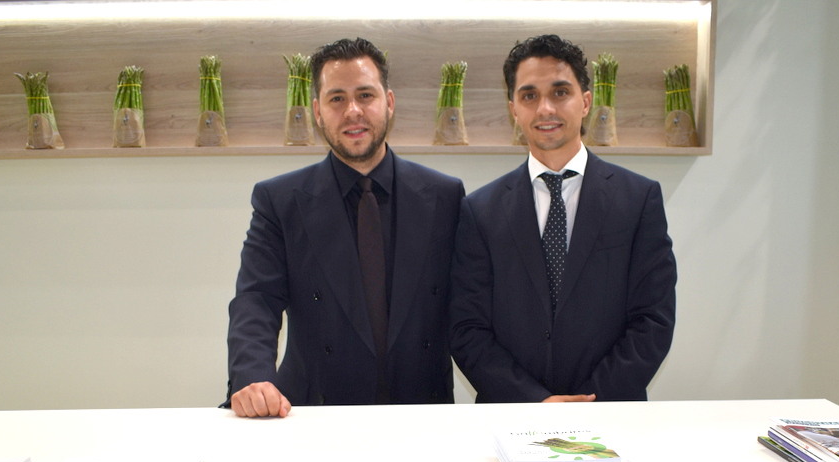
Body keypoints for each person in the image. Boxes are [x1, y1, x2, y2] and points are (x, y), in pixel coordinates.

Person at [226, 38, 465, 417]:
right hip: (313, 412)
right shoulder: (280, 200)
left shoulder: (444, 196)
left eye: (365, 95)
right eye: (337, 99)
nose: (353, 111)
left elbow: (470, 310)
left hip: (423, 412)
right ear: (318, 112)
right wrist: (253, 377)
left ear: (389, 102)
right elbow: (256, 299)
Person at [449, 34, 677, 403]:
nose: (545, 109)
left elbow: (653, 319)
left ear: (585, 102)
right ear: (513, 109)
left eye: (560, 92)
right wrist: (535, 401)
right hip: (513, 412)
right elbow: (467, 327)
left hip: (610, 411)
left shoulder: (638, 199)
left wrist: (590, 401)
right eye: (529, 96)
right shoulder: (480, 210)